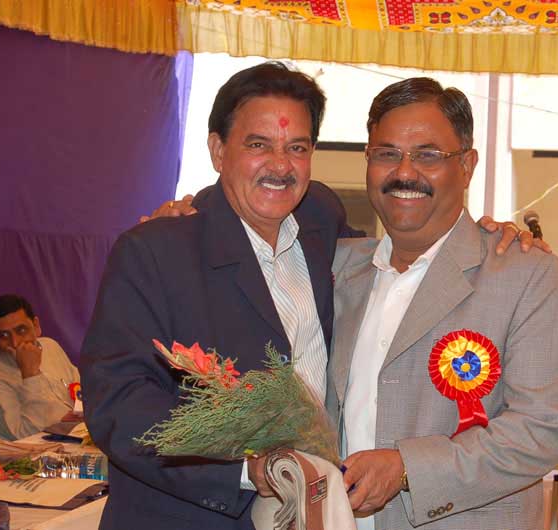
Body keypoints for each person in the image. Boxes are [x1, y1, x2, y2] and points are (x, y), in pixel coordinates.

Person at [80, 62, 349, 530]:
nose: (280, 165)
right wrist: (243, 468)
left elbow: (393, 258)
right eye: (258, 145)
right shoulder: (155, 252)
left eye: (297, 148)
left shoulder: (321, 222)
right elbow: (119, 402)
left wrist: (485, 240)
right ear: (218, 150)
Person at [327, 78, 558, 530]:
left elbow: (538, 432)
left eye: (428, 155)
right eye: (386, 154)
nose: (405, 173)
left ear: (466, 165)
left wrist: (406, 468)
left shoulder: (526, 275)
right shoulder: (337, 268)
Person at [0, 294, 80, 440]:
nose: (15, 343)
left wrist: (80, 412)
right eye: (4, 335)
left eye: (21, 330)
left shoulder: (50, 346)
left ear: (36, 326)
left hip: (78, 435)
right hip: (35, 450)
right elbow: (23, 436)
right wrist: (30, 375)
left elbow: (80, 390)